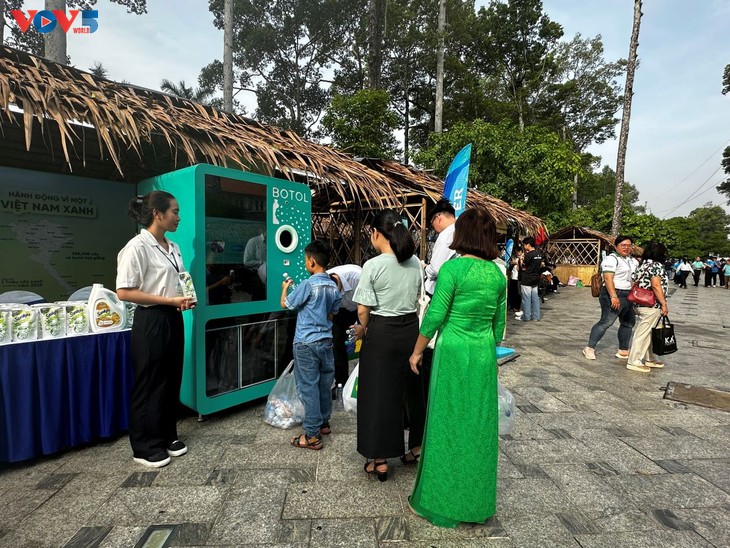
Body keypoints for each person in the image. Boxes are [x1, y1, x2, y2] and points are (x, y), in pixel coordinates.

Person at [407, 207, 506, 528]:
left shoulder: (453, 270)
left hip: (451, 351)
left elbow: (434, 316)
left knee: (445, 422)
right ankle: (475, 502)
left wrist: (416, 352)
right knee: (477, 426)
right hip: (481, 354)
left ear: (461, 234)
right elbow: (499, 326)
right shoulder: (497, 275)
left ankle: (440, 500)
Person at [116, 191, 195, 468]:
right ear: (157, 214)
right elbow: (124, 292)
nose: (178, 217)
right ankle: (144, 445)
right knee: (149, 381)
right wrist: (169, 300)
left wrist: (183, 299)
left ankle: (167, 434)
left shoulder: (172, 247)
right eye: (174, 211)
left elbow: (177, 279)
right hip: (151, 320)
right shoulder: (137, 247)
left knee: (172, 377)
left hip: (173, 316)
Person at [352, 209, 423, 481]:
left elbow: (362, 311)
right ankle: (415, 447)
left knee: (378, 395)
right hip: (410, 331)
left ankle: (380, 460)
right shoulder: (415, 262)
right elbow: (418, 297)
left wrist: (364, 328)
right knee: (410, 392)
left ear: (376, 233)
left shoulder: (373, 265)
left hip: (381, 332)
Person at [281, 240, 342, 450]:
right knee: (325, 384)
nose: (306, 263)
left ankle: (312, 434)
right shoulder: (333, 286)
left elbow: (286, 304)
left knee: (308, 387)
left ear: (312, 262)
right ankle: (324, 422)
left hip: (306, 343)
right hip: (325, 341)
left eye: (306, 259)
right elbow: (332, 313)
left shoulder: (308, 284)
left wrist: (284, 289)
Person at [419, 199, 458, 404]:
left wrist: (425, 267)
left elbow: (436, 268)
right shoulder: (462, 230)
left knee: (431, 335)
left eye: (433, 222)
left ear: (439, 218)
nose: (433, 227)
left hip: (439, 291)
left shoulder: (445, 235)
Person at [583, 235, 638, 360]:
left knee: (628, 322)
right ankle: (590, 347)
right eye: (623, 245)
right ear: (616, 246)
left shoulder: (632, 260)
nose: (626, 248)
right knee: (606, 321)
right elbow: (608, 279)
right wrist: (613, 296)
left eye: (629, 245)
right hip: (613, 293)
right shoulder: (611, 259)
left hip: (628, 294)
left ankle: (623, 349)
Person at [626, 242, 670, 373]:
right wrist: (663, 303)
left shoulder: (642, 264)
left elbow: (634, 281)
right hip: (651, 304)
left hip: (638, 302)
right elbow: (656, 285)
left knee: (650, 332)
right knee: (643, 333)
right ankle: (634, 360)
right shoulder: (657, 265)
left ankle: (650, 358)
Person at [326, 264, 362, 387]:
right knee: (337, 344)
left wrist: (363, 326)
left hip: (361, 305)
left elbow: (367, 304)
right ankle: (341, 383)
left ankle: (364, 379)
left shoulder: (357, 276)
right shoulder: (324, 280)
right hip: (340, 311)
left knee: (368, 339)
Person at [518, 237, 544, 321]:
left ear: (528, 244)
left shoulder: (529, 255)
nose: (524, 247)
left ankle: (526, 316)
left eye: (524, 245)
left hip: (527, 279)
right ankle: (536, 317)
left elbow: (523, 268)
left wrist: (521, 260)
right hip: (535, 278)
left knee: (526, 299)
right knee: (535, 298)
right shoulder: (539, 255)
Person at [508, 250, 523, 315]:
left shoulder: (522, 259)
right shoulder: (515, 259)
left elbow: (519, 269)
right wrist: (512, 263)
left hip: (518, 279)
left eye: (519, 252)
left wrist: (517, 263)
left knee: (518, 293)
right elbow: (510, 266)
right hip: (512, 278)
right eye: (517, 252)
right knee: (512, 292)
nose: (518, 253)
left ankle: (517, 307)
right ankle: (512, 306)